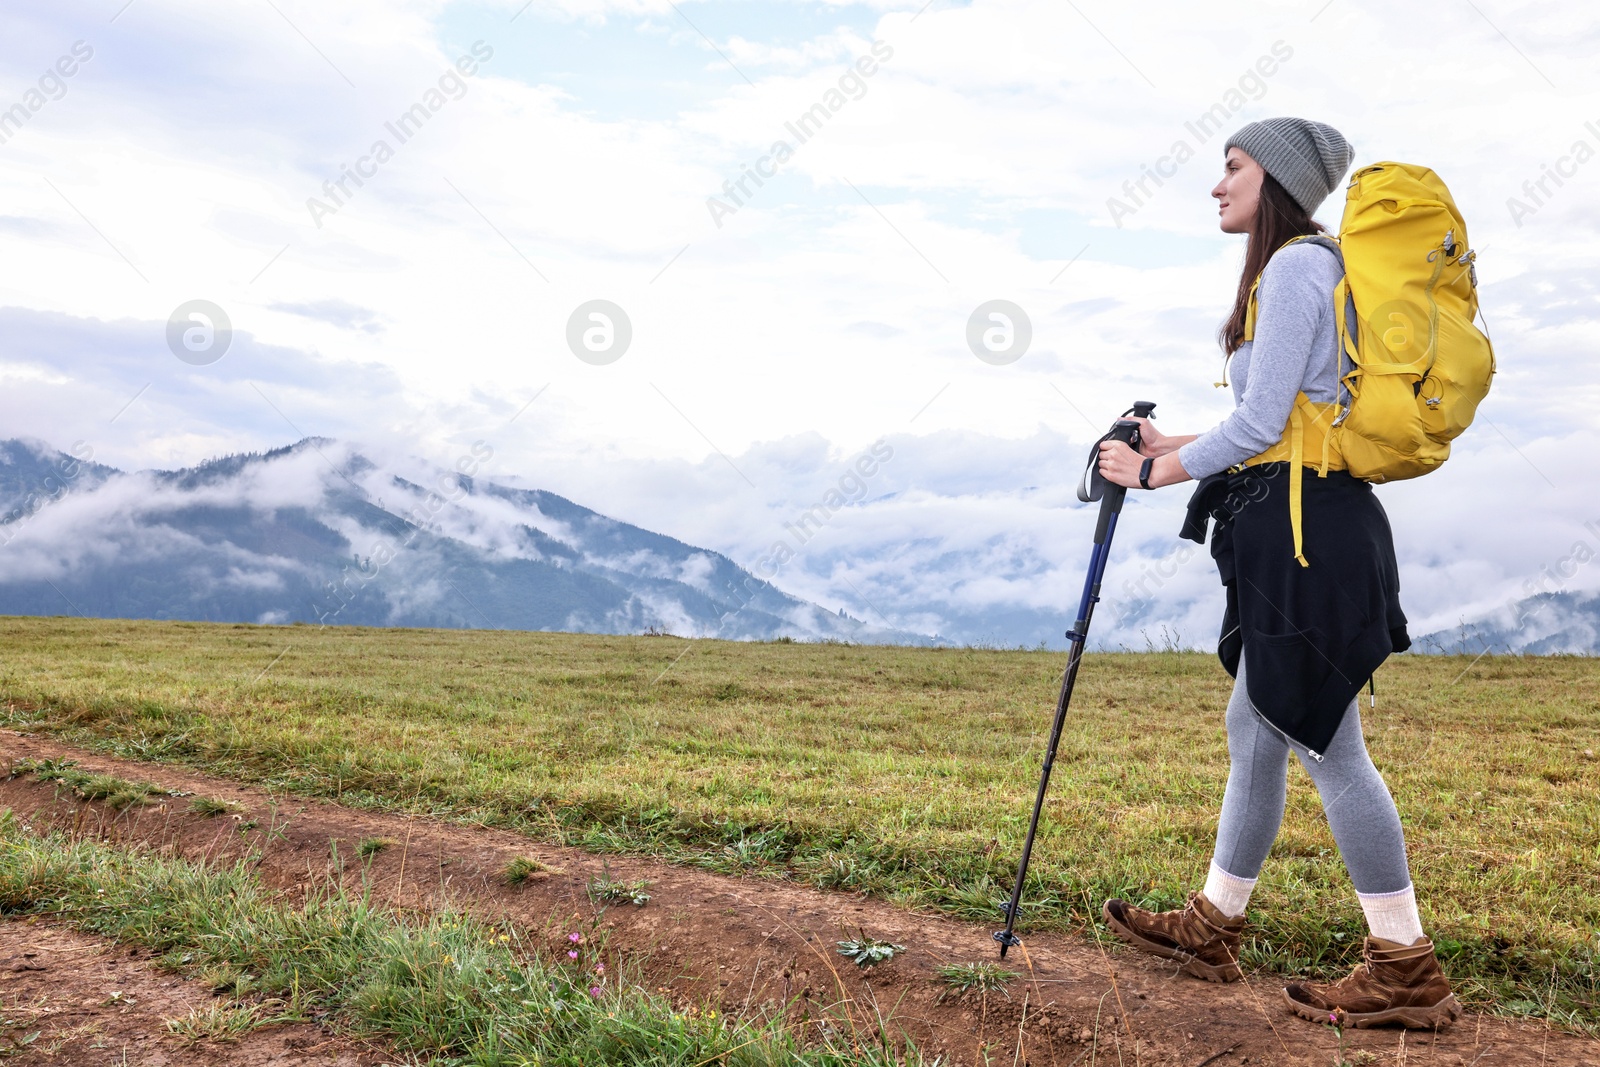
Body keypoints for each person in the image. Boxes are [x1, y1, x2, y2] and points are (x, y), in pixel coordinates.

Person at [1090, 117, 1461, 1031]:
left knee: (1328, 744)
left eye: (1233, 168)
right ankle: (1214, 924)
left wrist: (1151, 472)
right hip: (1299, 522)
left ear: (1276, 180)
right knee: (1253, 724)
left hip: (1309, 537)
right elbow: (1285, 416)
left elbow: (1257, 427)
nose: (1217, 186)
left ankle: (1406, 966)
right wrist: (1170, 438)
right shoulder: (1295, 269)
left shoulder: (1297, 265)